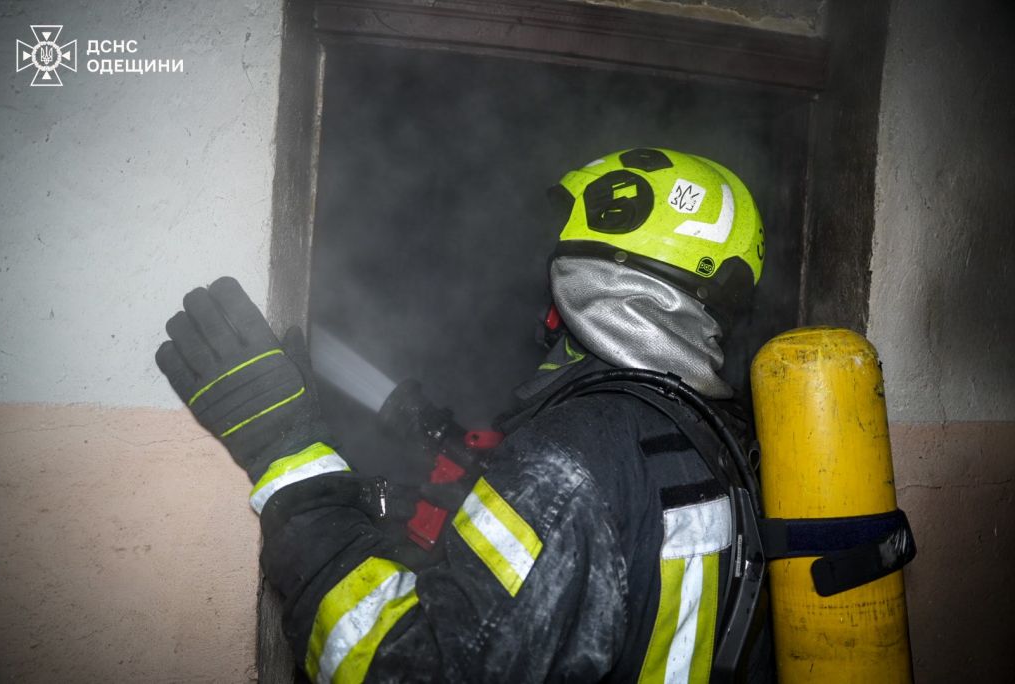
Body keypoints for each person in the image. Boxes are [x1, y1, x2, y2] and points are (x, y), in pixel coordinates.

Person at [157, 147, 769, 683]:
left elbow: (403, 668)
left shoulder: (572, 458)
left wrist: (287, 455)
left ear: (593, 275)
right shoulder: (724, 437)